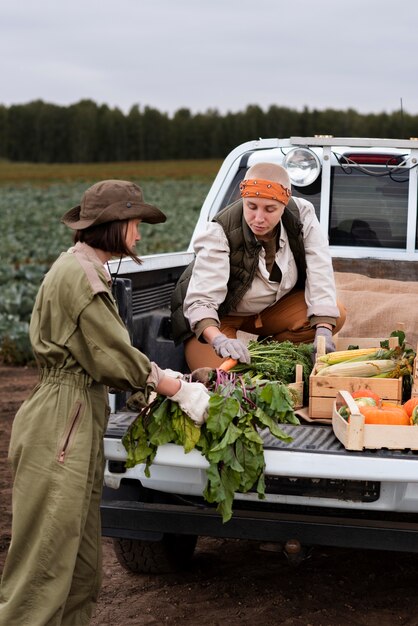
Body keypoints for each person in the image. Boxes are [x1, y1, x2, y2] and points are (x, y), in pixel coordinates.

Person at [0, 179, 209, 626]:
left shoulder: (85, 267)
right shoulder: (80, 277)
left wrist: (161, 380)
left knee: (81, 568)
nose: (139, 235)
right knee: (42, 572)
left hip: (76, 412)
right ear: (113, 227)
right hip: (61, 420)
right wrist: (174, 387)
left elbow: (106, 357)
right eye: (135, 224)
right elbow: (113, 354)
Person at [171, 162, 346, 371]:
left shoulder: (302, 216)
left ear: (284, 203)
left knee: (334, 313)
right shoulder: (219, 232)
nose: (259, 218)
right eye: (251, 207)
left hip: (268, 311)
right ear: (243, 200)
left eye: (270, 209)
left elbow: (320, 269)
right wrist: (219, 340)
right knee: (223, 380)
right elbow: (201, 302)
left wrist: (324, 330)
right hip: (220, 316)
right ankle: (236, 354)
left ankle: (265, 358)